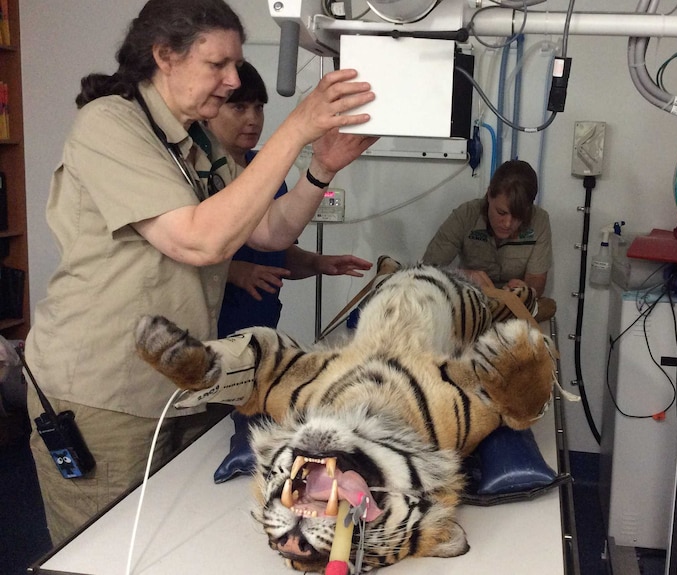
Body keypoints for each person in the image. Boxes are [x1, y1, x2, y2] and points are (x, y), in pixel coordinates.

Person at [24, 0, 376, 545]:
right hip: (105, 392)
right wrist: (296, 127)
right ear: (164, 56)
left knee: (174, 540)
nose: (233, 80)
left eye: (235, 65)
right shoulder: (109, 125)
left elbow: (269, 233)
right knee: (106, 548)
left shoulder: (199, 140)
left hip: (180, 381)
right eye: (219, 65)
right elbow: (199, 239)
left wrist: (321, 165)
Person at [205, 61, 372, 337]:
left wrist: (316, 263)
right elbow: (178, 252)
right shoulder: (195, 171)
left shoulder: (268, 170)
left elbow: (274, 246)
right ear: (208, 109)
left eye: (258, 108)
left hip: (260, 328)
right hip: (212, 329)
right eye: (239, 107)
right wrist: (233, 271)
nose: (252, 119)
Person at [421, 159, 556, 320]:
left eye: (518, 217)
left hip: (513, 308)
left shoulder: (539, 220)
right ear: (489, 195)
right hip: (471, 303)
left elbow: (537, 279)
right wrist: (462, 276)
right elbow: (426, 269)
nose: (507, 223)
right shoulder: (466, 215)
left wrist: (526, 290)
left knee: (549, 306)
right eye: (501, 212)